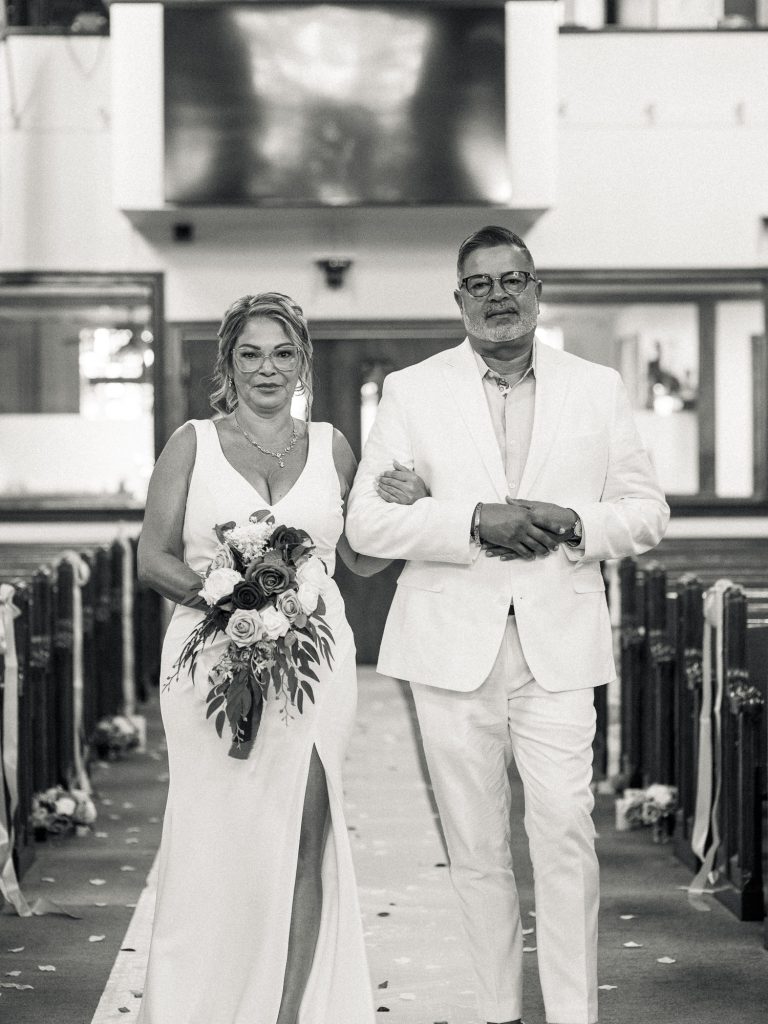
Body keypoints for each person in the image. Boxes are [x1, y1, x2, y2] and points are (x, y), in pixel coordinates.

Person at [347, 226, 670, 1024]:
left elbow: (646, 513)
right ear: (460, 299)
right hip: (451, 648)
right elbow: (365, 527)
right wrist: (471, 520)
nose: (500, 295)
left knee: (565, 831)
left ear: (537, 289)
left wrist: (575, 519)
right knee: (476, 845)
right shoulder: (413, 391)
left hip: (558, 644)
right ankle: (499, 1012)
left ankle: (572, 1015)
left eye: (514, 279)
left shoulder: (596, 388)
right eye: (481, 283)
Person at [136, 292, 426, 1024]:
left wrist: (408, 504)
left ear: (303, 363)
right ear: (228, 364)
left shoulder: (331, 445)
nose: (268, 368)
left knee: (305, 834)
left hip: (315, 664)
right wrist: (229, 602)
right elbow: (153, 556)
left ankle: (288, 1011)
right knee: (215, 835)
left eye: (283, 353)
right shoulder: (192, 443)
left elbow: (359, 559)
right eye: (251, 354)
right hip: (210, 657)